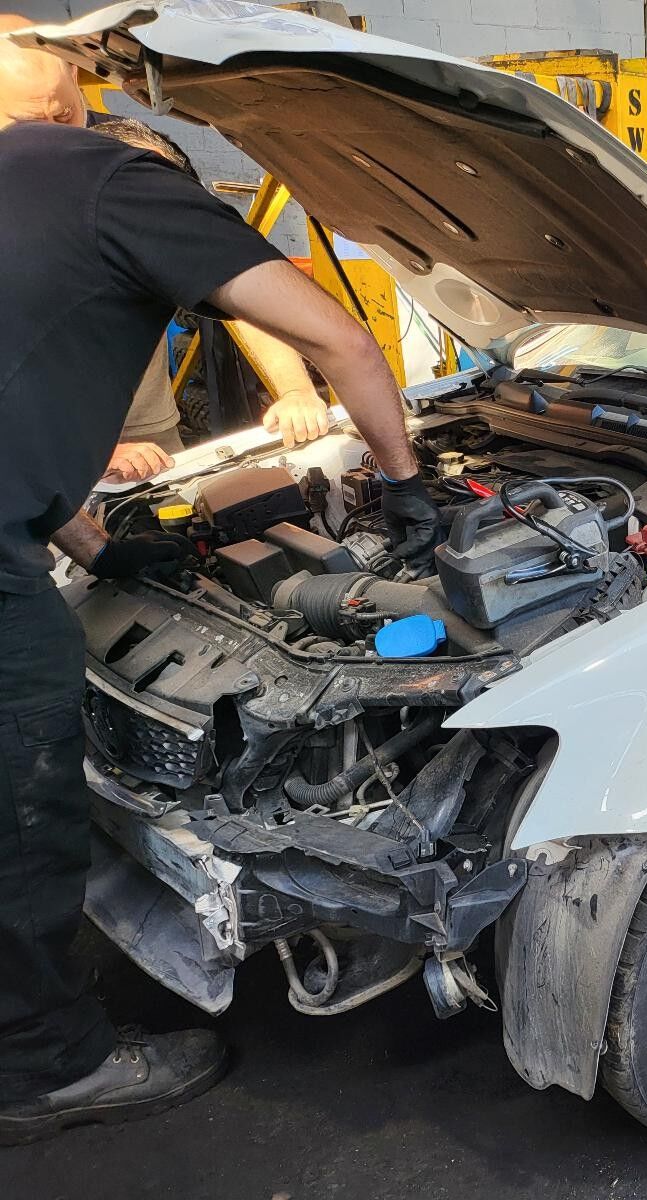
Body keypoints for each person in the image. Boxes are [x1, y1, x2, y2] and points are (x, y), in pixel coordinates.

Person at [0, 107, 443, 1143]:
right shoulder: (131, 186)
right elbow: (342, 338)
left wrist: (100, 552)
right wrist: (406, 485)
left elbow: (15, 423)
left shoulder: (25, 174)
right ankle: (46, 1066)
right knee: (21, 806)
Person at [0, 16, 330, 479]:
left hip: (148, 436)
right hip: (28, 454)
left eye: (64, 115)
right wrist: (83, 448)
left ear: (73, 73)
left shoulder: (135, 157)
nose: (57, 138)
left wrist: (294, 389)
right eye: (32, 124)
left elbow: (227, 273)